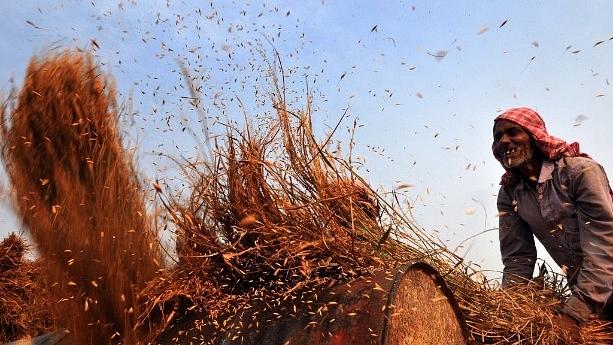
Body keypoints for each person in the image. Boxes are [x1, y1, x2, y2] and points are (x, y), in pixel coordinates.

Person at [492, 107, 613, 340]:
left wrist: (574, 314)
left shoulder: (579, 172)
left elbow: (604, 246)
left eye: (513, 132)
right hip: (592, 300)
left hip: (593, 293)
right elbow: (517, 259)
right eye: (498, 137)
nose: (504, 141)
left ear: (535, 136)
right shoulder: (510, 194)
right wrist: (506, 311)